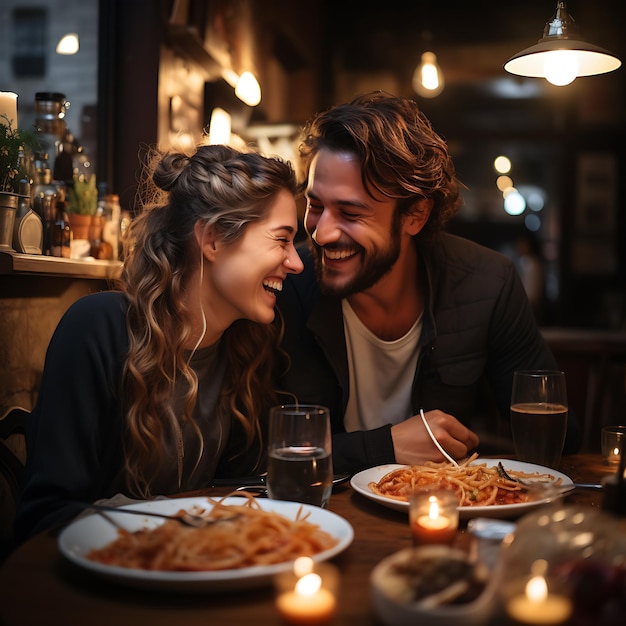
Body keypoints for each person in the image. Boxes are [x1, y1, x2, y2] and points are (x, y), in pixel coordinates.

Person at [276, 92, 581, 475]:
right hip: (317, 521)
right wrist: (385, 446)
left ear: (415, 215)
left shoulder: (486, 283)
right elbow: (261, 452)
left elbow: (561, 440)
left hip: (442, 516)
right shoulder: (287, 280)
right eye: (316, 205)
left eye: (350, 212)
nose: (320, 234)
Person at [15, 143, 304, 543]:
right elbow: (44, 517)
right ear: (213, 240)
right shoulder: (97, 331)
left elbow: (243, 490)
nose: (296, 262)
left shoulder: (246, 348)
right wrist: (174, 530)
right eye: (281, 239)